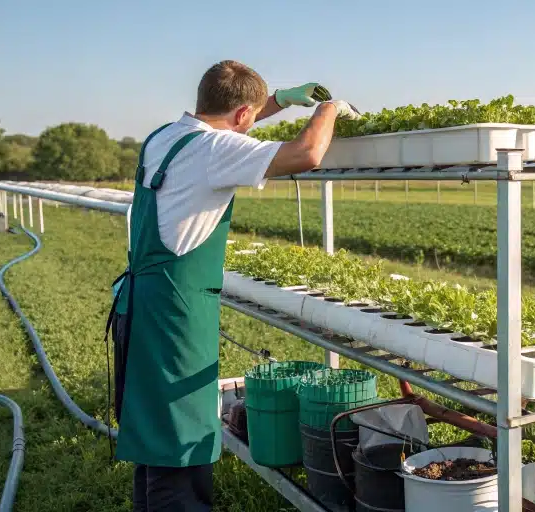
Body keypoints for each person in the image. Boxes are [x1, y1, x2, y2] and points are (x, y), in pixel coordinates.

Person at [106, 60, 359, 511]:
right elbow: (306, 154)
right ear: (241, 114)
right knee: (179, 448)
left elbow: (228, 130)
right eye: (251, 115)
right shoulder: (216, 150)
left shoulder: (167, 136)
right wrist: (330, 109)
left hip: (141, 304)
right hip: (174, 320)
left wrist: (277, 101)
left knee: (154, 438)